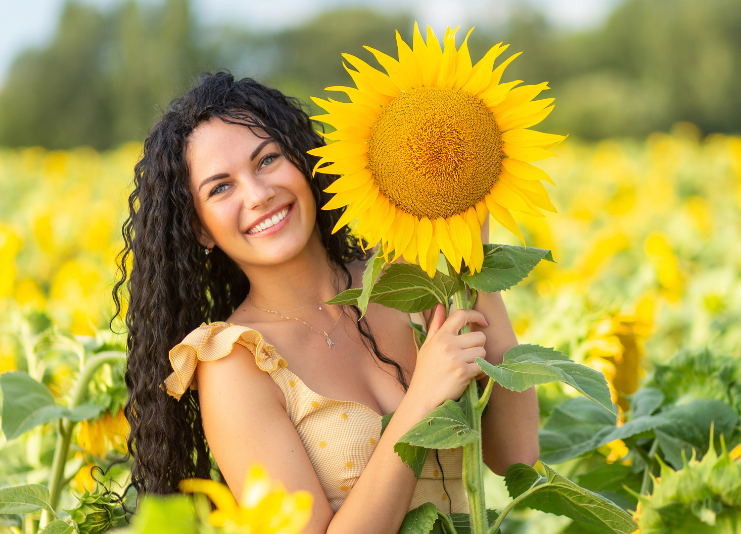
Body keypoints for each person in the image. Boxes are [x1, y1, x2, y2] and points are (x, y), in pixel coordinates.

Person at [113, 71, 539, 534]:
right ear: (199, 229)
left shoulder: (409, 281)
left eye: (267, 160)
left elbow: (514, 455)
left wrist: (469, 251)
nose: (258, 195)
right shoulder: (236, 362)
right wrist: (420, 404)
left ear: (304, 161)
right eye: (221, 187)